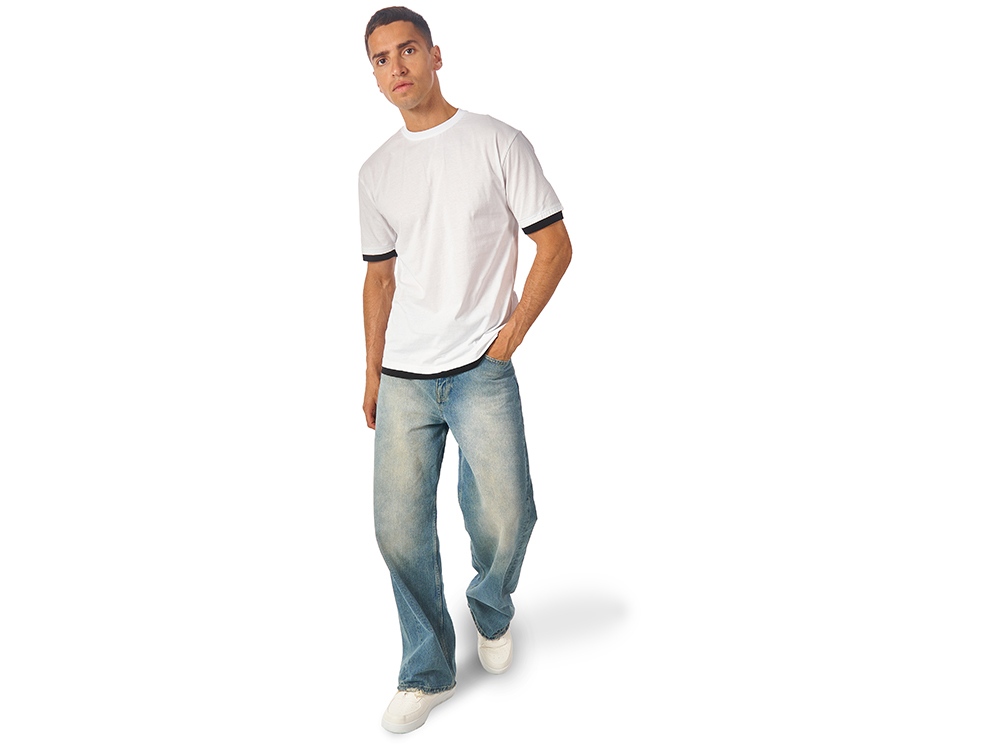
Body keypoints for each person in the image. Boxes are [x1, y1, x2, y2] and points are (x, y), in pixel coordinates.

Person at [359, 6, 572, 734]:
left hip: (482, 364)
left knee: (509, 514)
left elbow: (554, 245)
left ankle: (491, 606)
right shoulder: (376, 171)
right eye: (381, 59)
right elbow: (379, 278)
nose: (397, 67)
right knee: (397, 530)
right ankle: (427, 669)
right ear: (374, 75)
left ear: (435, 55)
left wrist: (511, 335)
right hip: (403, 375)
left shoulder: (496, 141)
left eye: (407, 50)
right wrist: (370, 374)